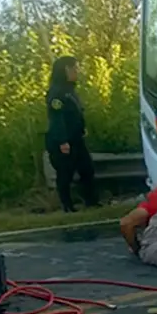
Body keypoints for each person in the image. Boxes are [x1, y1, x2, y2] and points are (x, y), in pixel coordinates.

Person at [45, 55, 98, 212]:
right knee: (65, 174)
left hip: (77, 138)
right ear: (65, 70)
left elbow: (75, 113)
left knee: (87, 169)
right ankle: (67, 206)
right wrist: (62, 141)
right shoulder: (56, 93)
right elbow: (57, 119)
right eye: (74, 69)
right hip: (64, 141)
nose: (77, 72)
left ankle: (91, 202)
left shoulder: (70, 90)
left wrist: (82, 128)